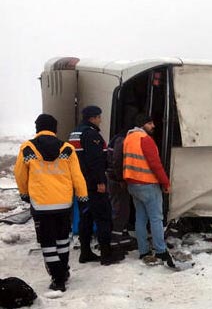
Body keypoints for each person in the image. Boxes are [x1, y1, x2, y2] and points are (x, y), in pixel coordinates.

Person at [14, 114, 89, 291]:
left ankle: (58, 279)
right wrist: (83, 197)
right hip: (63, 204)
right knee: (63, 239)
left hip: (41, 205)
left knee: (48, 243)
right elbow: (77, 177)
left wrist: (25, 193)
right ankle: (64, 271)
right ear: (54, 128)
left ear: (37, 128)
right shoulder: (67, 149)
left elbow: (19, 174)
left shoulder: (28, 148)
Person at [69, 106, 124, 265]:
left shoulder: (75, 133)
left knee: (86, 217)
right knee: (103, 217)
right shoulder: (91, 134)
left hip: (81, 184)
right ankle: (107, 254)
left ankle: (85, 252)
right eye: (99, 117)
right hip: (93, 184)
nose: (100, 120)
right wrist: (100, 181)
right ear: (92, 118)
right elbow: (95, 161)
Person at [123, 114, 174, 267]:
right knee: (156, 219)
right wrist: (165, 183)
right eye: (150, 123)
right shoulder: (145, 139)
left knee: (141, 218)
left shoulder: (129, 139)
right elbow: (155, 164)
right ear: (143, 124)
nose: (153, 126)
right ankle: (160, 250)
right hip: (148, 184)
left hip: (133, 184)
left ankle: (144, 251)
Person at [106, 127, 136, 253]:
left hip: (113, 178)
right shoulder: (122, 140)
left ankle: (122, 236)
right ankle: (115, 240)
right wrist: (121, 179)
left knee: (122, 207)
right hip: (116, 180)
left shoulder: (118, 138)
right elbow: (118, 160)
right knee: (121, 209)